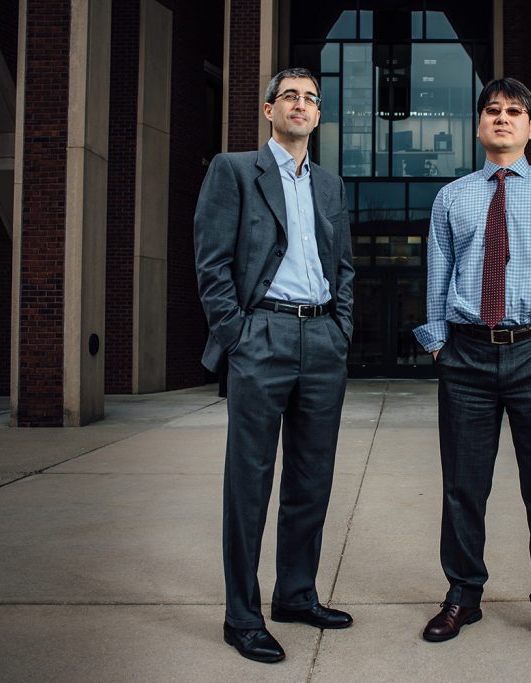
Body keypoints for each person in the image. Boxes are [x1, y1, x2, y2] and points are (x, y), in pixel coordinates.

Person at [414, 77, 531, 657]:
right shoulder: (453, 197)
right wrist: (439, 346)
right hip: (466, 355)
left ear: (529, 126)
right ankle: (463, 595)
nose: (502, 118)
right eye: (492, 110)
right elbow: (437, 280)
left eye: (514, 111)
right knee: (464, 487)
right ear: (478, 124)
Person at [193, 67, 355, 664]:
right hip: (261, 334)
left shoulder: (332, 186)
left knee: (311, 479)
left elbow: (343, 268)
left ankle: (296, 594)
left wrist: (342, 327)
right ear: (268, 110)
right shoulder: (233, 170)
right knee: (250, 481)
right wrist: (236, 334)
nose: (302, 105)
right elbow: (210, 263)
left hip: (322, 340)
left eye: (312, 99)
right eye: (290, 95)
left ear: (318, 115)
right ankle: (242, 616)